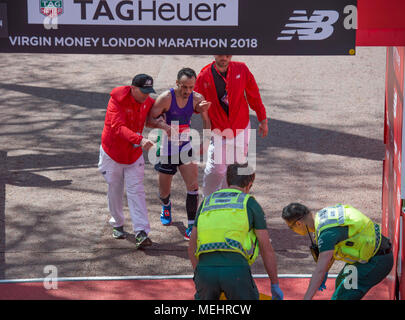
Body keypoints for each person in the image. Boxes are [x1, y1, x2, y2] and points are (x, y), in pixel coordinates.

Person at [188, 163, 283, 300]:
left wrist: (200, 275)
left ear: (227, 181)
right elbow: (266, 248)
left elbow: (191, 247)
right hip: (236, 271)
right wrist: (274, 284)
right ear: (249, 184)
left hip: (205, 270)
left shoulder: (206, 203)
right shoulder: (250, 204)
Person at [147, 67, 211, 240]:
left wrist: (206, 141)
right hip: (167, 149)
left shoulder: (197, 98)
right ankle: (166, 206)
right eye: (184, 87)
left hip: (185, 146)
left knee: (193, 187)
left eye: (191, 87)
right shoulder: (165, 98)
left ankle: (191, 225)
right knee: (164, 191)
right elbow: (149, 120)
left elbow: (206, 120)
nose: (187, 91)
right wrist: (163, 126)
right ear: (177, 83)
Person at [281, 203, 394, 300]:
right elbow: (334, 250)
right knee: (340, 282)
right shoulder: (322, 217)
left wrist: (307, 298)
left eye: (291, 227)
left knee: (342, 296)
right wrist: (326, 271)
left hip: (376, 261)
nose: (292, 230)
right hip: (370, 255)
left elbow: (319, 270)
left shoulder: (326, 236)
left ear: (298, 224)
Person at [194, 55, 269, 198]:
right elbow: (195, 103)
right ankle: (207, 203)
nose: (224, 57)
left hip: (241, 129)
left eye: (227, 54)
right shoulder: (204, 76)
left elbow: (254, 95)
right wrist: (198, 107)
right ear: (214, 54)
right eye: (220, 54)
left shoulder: (241, 68)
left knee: (235, 172)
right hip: (218, 131)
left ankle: (229, 203)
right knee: (215, 171)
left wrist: (263, 119)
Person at [98, 74, 156, 249]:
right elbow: (118, 127)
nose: (146, 95)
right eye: (143, 91)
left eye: (149, 91)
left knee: (136, 191)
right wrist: (140, 139)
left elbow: (156, 115)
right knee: (115, 189)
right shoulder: (116, 101)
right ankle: (117, 223)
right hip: (112, 154)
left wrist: (162, 123)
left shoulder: (148, 101)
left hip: (133, 155)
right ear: (133, 89)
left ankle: (141, 232)